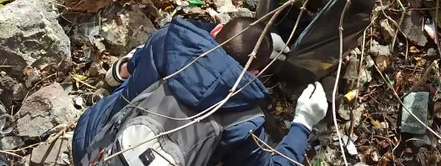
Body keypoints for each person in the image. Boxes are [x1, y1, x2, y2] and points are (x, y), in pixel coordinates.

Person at [72, 17, 328, 166]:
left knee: (143, 65)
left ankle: (122, 70)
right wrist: (303, 123)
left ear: (215, 31)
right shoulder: (244, 120)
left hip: (89, 149)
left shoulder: (169, 40)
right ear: (254, 74)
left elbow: (197, 36)